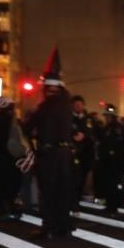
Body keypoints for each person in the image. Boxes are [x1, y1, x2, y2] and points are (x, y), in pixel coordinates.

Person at [23, 74, 74, 239]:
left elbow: (27, 128)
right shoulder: (67, 106)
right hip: (65, 154)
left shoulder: (44, 107)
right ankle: (64, 226)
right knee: (63, 191)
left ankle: (49, 227)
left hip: (49, 154)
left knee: (48, 192)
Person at [97, 104, 124, 214]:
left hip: (114, 161)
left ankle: (113, 205)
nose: (107, 118)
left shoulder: (116, 128)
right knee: (109, 183)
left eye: (109, 116)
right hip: (107, 161)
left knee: (113, 184)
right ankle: (110, 204)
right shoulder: (107, 127)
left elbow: (118, 145)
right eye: (106, 116)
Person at [71, 95, 94, 209]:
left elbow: (91, 133)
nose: (78, 107)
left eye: (80, 105)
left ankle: (78, 199)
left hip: (85, 153)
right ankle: (73, 201)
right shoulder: (69, 118)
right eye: (76, 105)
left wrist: (84, 136)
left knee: (82, 178)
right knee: (74, 178)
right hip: (73, 153)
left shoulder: (87, 119)